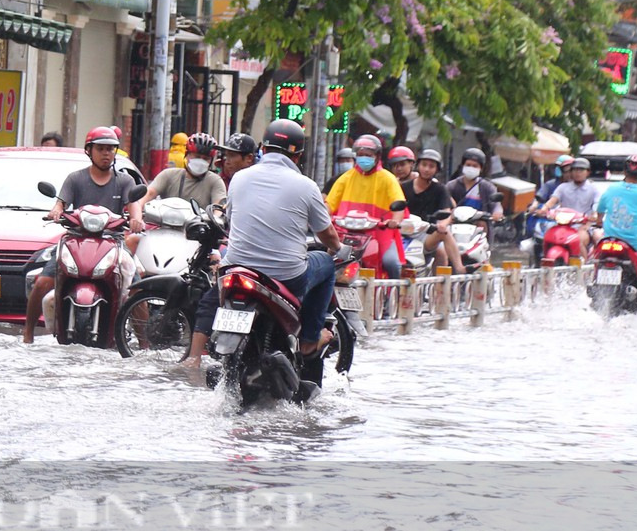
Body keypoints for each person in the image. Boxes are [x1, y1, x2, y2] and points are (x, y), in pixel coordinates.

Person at [180, 118, 342, 386]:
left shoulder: (239, 179)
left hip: (236, 269)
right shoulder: (306, 186)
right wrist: (339, 248)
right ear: (298, 155)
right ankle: (310, 341)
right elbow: (327, 235)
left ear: (262, 150)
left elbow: (229, 219)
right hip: (285, 276)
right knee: (325, 263)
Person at [22, 125, 141, 344]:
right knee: (41, 283)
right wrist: (56, 211)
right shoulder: (75, 179)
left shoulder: (124, 181)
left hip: (112, 242)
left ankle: (144, 344)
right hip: (75, 240)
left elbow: (134, 206)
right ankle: (28, 333)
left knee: (137, 287)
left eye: (111, 149)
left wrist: (136, 219)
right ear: (89, 151)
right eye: (101, 148)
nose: (107, 154)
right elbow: (60, 203)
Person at [326, 134, 406, 277]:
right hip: (346, 233)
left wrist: (395, 221)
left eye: (368, 155)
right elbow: (329, 204)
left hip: (380, 234)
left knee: (391, 263)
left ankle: (398, 295)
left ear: (377, 156)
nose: (364, 158)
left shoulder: (388, 179)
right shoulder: (346, 178)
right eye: (360, 154)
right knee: (326, 260)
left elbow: (398, 204)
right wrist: (322, 215)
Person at [594, 153, 637, 286]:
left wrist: (598, 221)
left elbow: (600, 211)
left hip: (608, 240)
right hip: (635, 245)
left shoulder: (611, 189)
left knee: (596, 255)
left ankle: (595, 279)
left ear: (624, 171)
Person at [393, 147, 459, 274]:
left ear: (436, 170)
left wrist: (442, 225)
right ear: (418, 166)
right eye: (424, 165)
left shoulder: (440, 189)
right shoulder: (402, 187)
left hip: (426, 234)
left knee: (441, 251)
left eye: (431, 166)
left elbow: (447, 212)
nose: (427, 169)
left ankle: (441, 286)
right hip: (402, 233)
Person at [148, 132, 226, 207]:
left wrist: (216, 216)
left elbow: (218, 207)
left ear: (211, 161)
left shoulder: (215, 182)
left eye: (206, 159)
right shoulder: (168, 175)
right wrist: (138, 214)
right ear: (187, 155)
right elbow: (149, 193)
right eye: (197, 156)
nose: (201, 161)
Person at [445, 146, 502, 219]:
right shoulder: (452, 185)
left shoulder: (487, 187)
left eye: (475, 166)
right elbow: (443, 201)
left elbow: (496, 205)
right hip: (455, 224)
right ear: (463, 165)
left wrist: (497, 212)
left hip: (480, 225)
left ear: (481, 169)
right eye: (468, 165)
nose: (471, 168)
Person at [538, 155, 599, 219]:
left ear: (588, 172)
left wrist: (594, 214)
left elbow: (597, 204)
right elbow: (553, 200)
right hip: (564, 222)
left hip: (585, 224)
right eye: (575, 170)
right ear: (571, 172)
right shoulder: (562, 187)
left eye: (581, 170)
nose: (578, 173)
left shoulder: (593, 188)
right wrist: (544, 209)